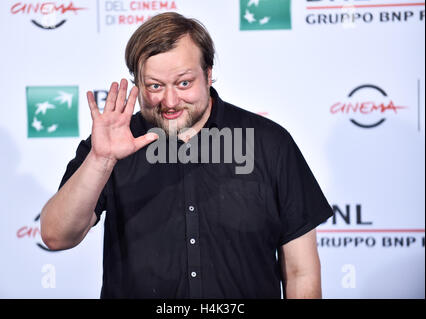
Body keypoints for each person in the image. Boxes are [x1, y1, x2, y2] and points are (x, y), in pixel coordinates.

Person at [40, 12, 333, 299]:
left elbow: (301, 272)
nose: (169, 101)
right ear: (138, 84)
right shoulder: (111, 145)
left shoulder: (269, 143)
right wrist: (101, 160)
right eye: (154, 86)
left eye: (183, 83)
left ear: (208, 74)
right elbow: (56, 236)